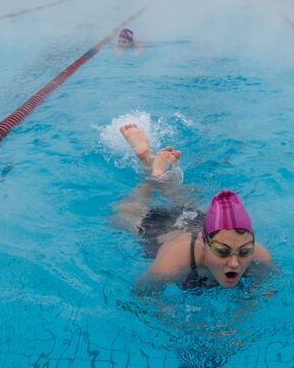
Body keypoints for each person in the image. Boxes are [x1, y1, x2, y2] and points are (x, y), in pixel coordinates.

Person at [112, 124, 271, 291]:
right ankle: (150, 173)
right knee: (123, 216)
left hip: (198, 221)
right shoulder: (169, 266)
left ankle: (159, 173)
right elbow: (141, 295)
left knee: (190, 206)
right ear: (204, 243)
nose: (234, 263)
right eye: (222, 252)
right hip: (163, 232)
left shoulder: (260, 257)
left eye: (245, 251)